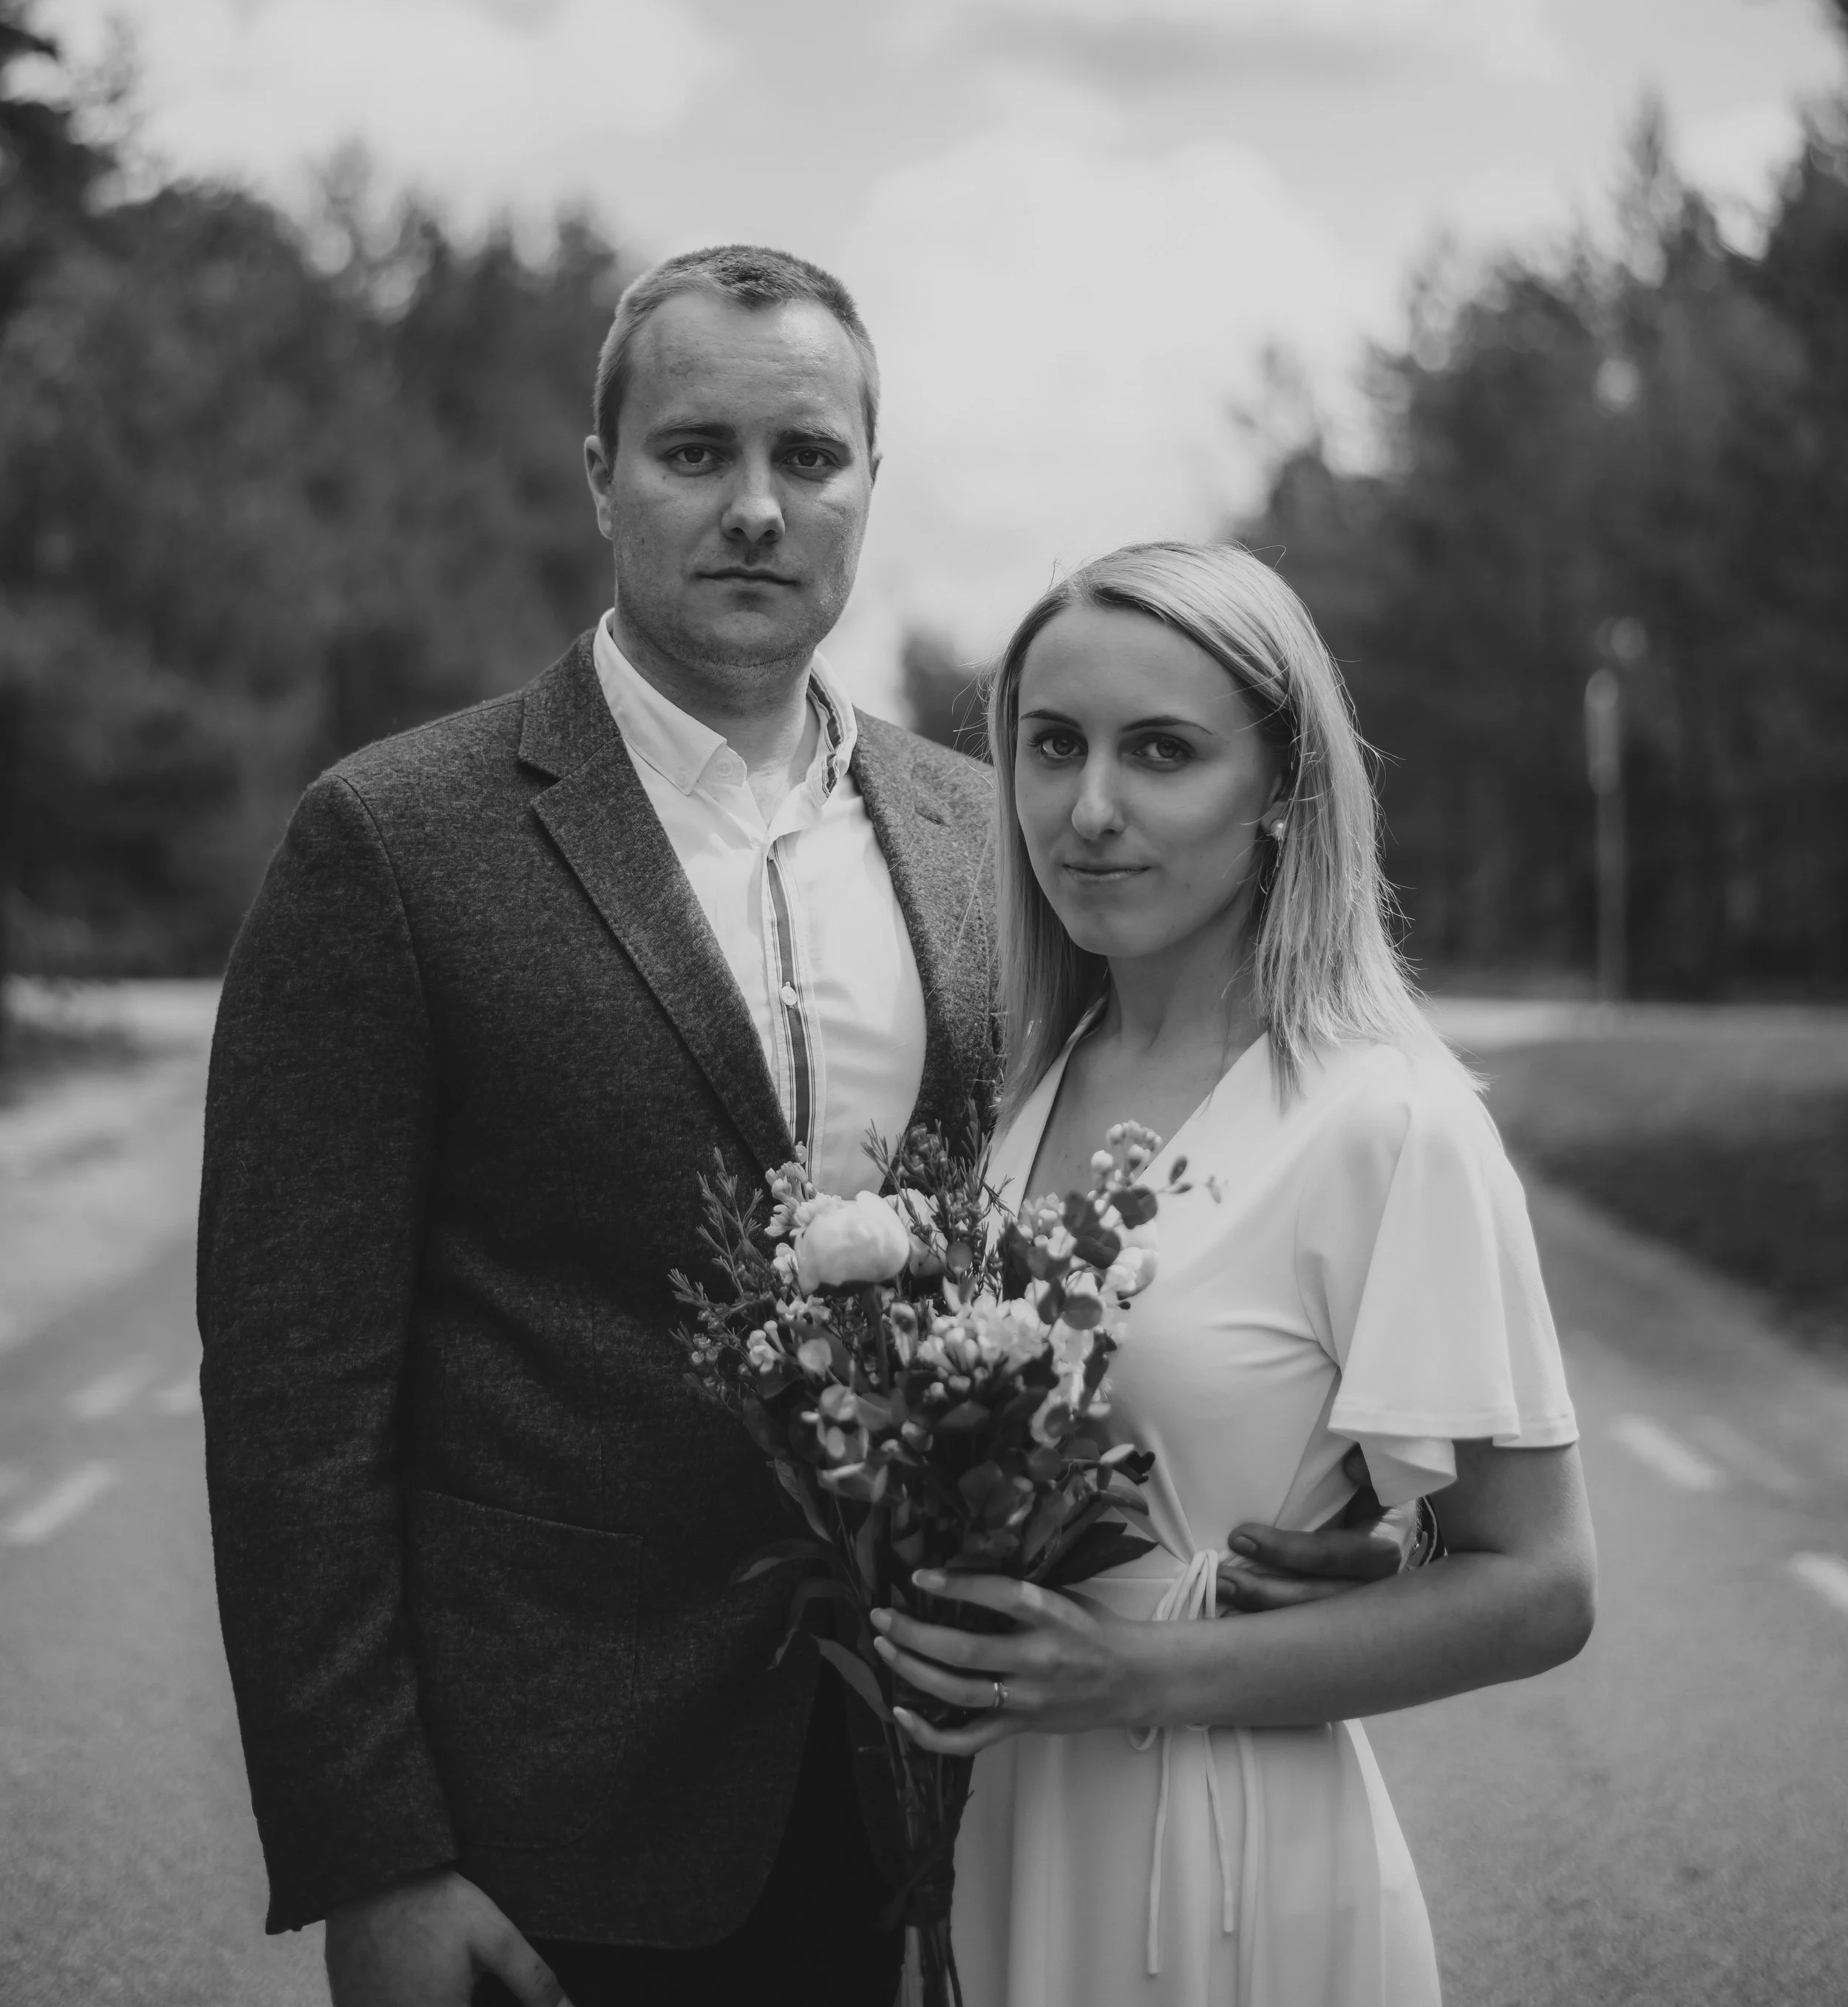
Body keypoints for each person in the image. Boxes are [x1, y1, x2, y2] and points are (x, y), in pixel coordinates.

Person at [199, 253, 1415, 2007]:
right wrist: (372, 1857)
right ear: (600, 476)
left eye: (809, 457)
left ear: (866, 484)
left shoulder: (993, 839)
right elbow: (293, 1408)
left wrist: (1345, 1508)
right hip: (549, 1833)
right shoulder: (392, 847)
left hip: (947, 1812)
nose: (757, 508)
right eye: (695, 451)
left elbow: (1179, 1202)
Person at [871, 542, 1597, 2007]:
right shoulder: (1026, 1082)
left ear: (1281, 788)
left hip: (1213, 1856)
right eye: (1052, 746)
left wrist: (1138, 1676)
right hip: (994, 1831)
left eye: (1162, 752)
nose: (1089, 808)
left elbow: (1539, 1585)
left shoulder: (1386, 1121)